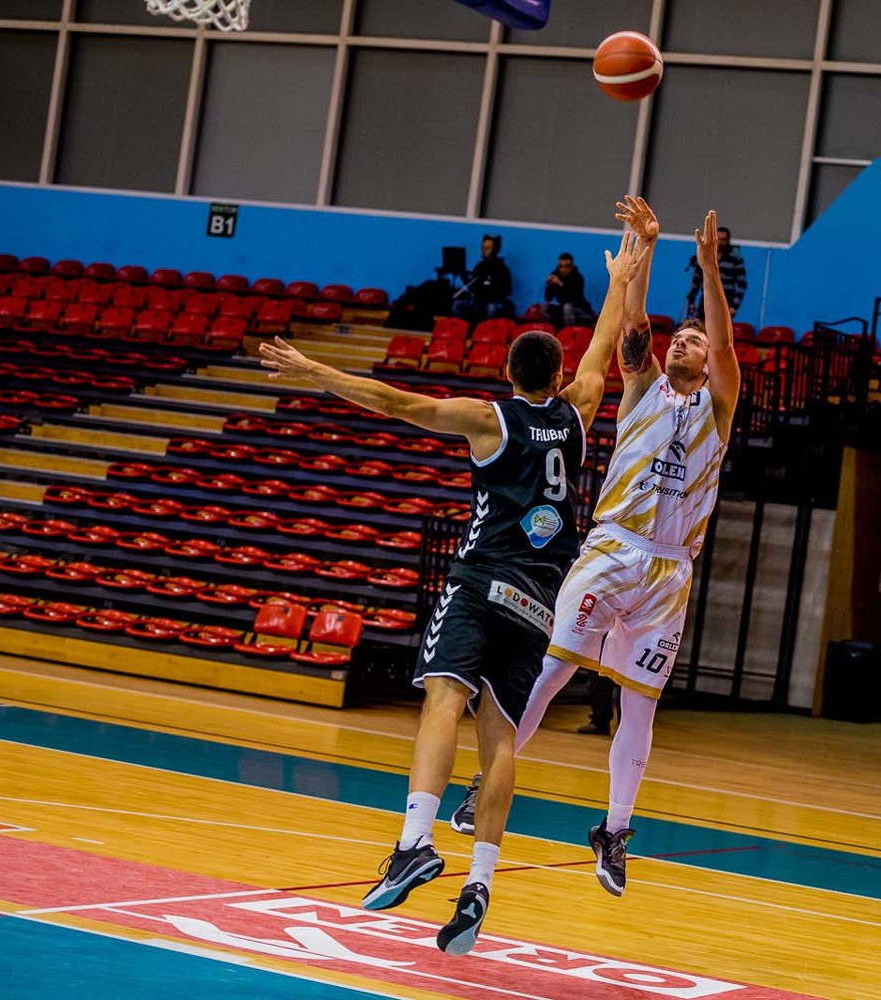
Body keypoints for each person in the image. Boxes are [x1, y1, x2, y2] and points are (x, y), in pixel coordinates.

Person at [254, 224, 646, 954]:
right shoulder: (579, 412)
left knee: (441, 699)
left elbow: (396, 402)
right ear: (558, 376)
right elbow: (601, 348)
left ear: (507, 372)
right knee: (500, 742)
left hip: (483, 577)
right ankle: (481, 884)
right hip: (540, 601)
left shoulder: (489, 420)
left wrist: (314, 371)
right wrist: (622, 279)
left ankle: (414, 843)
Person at [453, 202, 740, 898]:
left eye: (694, 341)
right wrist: (646, 249)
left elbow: (728, 346)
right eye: (679, 338)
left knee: (640, 708)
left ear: (709, 360)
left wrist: (708, 269)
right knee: (551, 670)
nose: (684, 343)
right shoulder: (642, 386)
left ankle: (613, 832)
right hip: (613, 548)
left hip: (670, 571)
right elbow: (634, 324)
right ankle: (484, 783)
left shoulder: (719, 406)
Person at [683, 223, 745, 321]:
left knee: (720, 327)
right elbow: (696, 280)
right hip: (707, 297)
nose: (721, 242)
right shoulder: (706, 255)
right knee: (701, 324)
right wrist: (692, 300)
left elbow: (742, 284)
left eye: (724, 240)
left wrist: (734, 306)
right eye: (718, 239)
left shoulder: (735, 258)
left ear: (728, 241)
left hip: (726, 298)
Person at [454, 234, 514, 322]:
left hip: (495, 301)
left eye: (488, 248)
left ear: (495, 250)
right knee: (457, 305)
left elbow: (507, 291)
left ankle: (487, 329)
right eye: (483, 248)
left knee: (491, 308)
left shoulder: (502, 269)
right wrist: (464, 277)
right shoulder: (479, 267)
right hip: (479, 301)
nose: (484, 251)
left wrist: (490, 286)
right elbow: (473, 288)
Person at [544, 252, 594, 329]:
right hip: (562, 308)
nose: (563, 270)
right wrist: (549, 285)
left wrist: (560, 283)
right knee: (545, 307)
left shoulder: (578, 277)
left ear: (572, 267)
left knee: (567, 307)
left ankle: (570, 332)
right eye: (561, 266)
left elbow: (573, 298)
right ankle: (549, 332)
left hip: (580, 309)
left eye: (567, 267)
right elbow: (548, 298)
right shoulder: (555, 275)